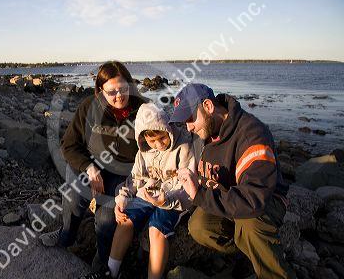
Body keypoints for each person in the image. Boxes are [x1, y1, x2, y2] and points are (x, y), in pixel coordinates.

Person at [171, 83, 296, 279]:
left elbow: (254, 198)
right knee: (199, 226)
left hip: (263, 200)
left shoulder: (251, 134)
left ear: (208, 106)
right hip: (228, 198)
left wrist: (199, 195)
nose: (188, 127)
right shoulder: (203, 132)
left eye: (190, 119)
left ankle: (273, 271)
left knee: (250, 225)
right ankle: (250, 253)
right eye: (184, 122)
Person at [39, 61, 147, 269]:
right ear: (100, 90)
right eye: (111, 91)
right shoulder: (89, 107)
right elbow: (69, 145)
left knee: (106, 218)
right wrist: (89, 167)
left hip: (124, 174)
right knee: (74, 194)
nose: (119, 96)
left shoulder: (143, 110)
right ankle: (66, 235)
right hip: (89, 165)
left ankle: (103, 260)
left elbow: (156, 145)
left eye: (123, 88)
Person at [82, 102, 196, 279]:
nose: (158, 145)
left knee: (155, 229)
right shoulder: (143, 151)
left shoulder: (184, 146)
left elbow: (188, 189)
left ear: (168, 129)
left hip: (173, 199)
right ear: (143, 139)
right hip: (148, 194)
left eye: (162, 138)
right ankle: (110, 272)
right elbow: (135, 179)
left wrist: (165, 201)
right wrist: (122, 199)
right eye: (152, 141)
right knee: (125, 219)